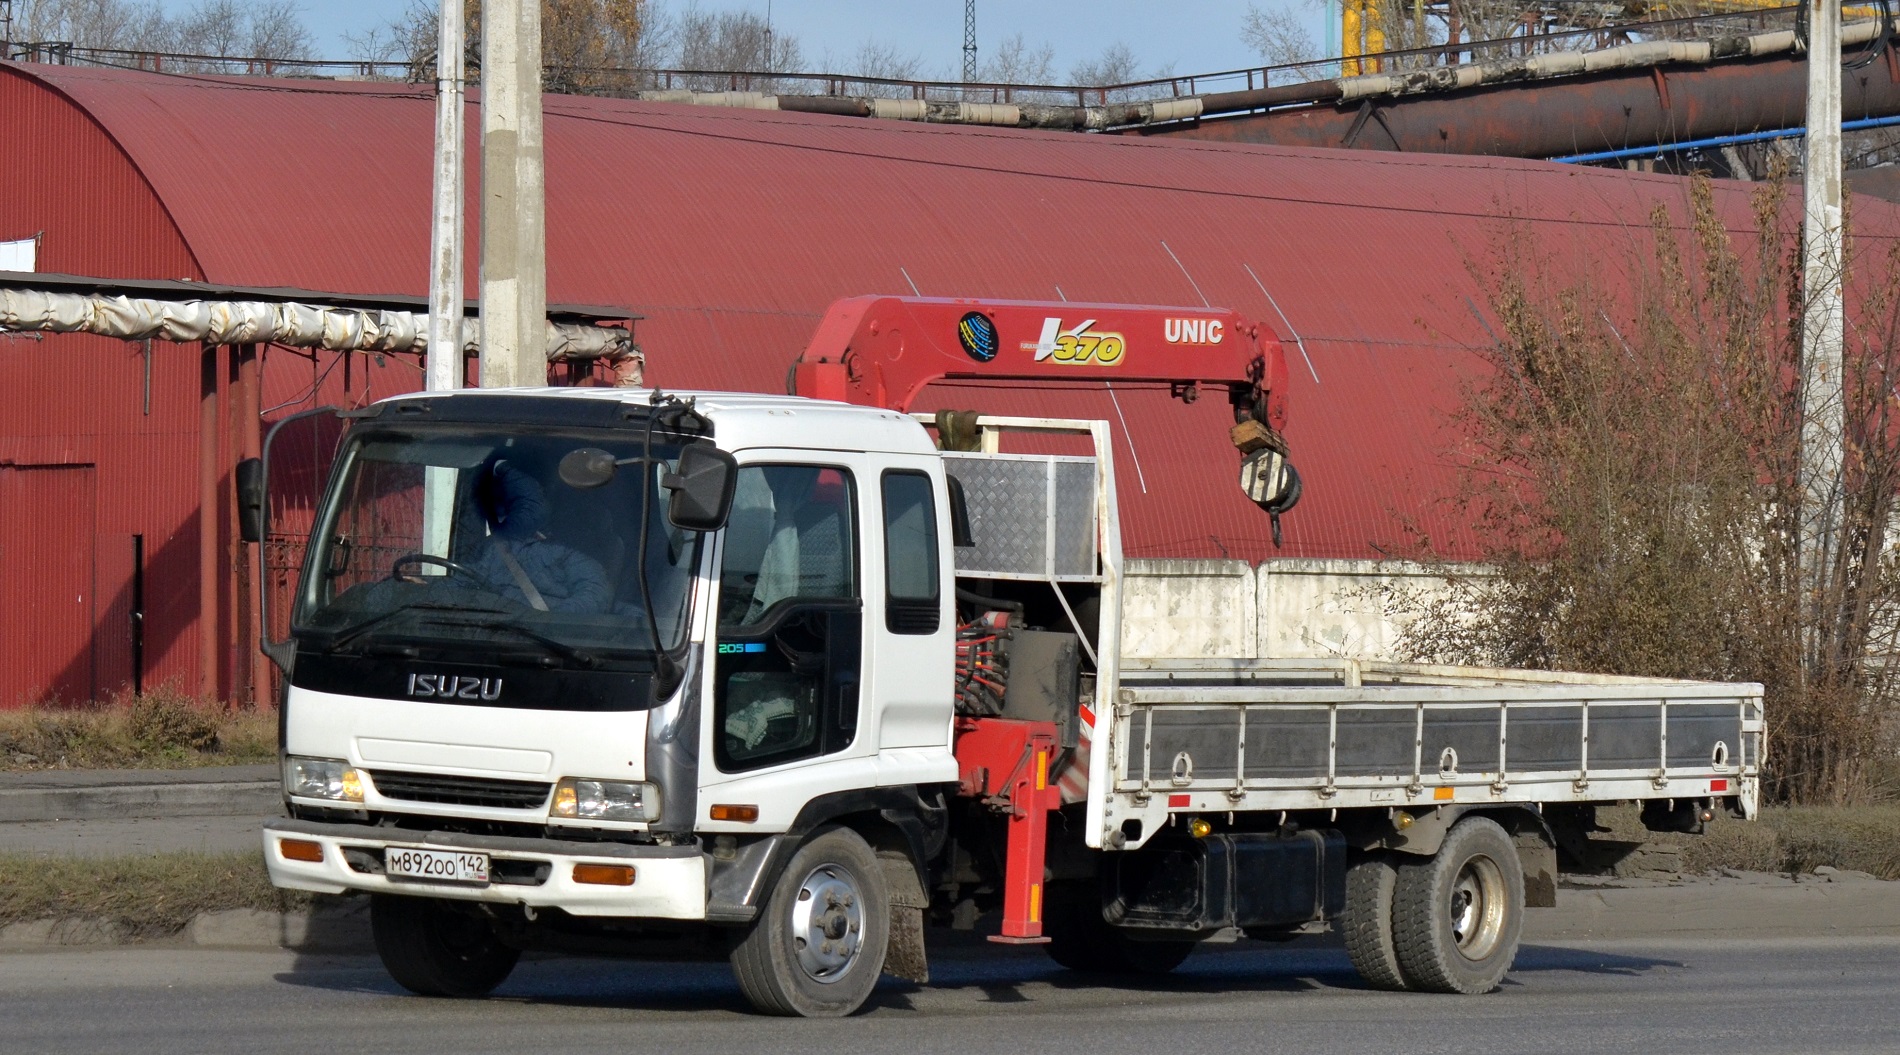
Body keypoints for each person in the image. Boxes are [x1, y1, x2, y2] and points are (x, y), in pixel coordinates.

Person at [463, 459, 612, 615]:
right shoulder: (493, 548)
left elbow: (594, 595)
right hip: (481, 628)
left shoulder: (572, 552)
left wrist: (548, 621)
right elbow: (463, 582)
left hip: (541, 633)